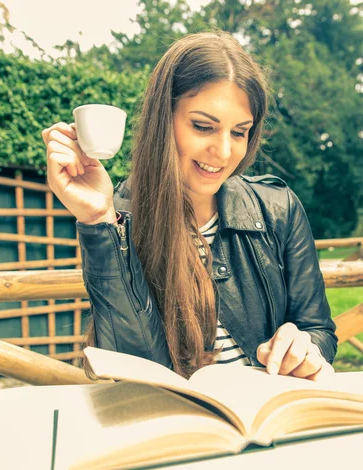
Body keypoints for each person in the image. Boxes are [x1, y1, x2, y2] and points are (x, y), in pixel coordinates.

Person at [42, 30, 337, 380]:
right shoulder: (119, 216)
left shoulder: (277, 208)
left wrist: (305, 347)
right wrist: (98, 220)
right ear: (163, 119)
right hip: (173, 425)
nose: (224, 153)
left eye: (239, 132)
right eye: (203, 126)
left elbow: (318, 330)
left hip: (267, 419)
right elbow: (132, 368)